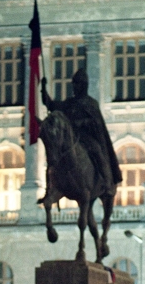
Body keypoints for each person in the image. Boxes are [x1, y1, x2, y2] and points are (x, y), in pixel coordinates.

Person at [41, 68, 122, 196]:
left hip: (87, 138)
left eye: (76, 84)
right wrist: (43, 89)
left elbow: (96, 122)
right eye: (73, 84)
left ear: (83, 86)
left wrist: (83, 122)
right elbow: (51, 105)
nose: (74, 87)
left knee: (97, 152)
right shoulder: (70, 102)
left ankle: (107, 183)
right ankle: (51, 188)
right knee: (55, 156)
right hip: (70, 138)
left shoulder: (91, 103)